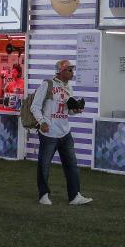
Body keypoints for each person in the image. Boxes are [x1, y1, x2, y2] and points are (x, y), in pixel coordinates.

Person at [32, 59, 92, 206]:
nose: (72, 73)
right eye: (69, 70)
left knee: (72, 165)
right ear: (60, 71)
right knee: (44, 165)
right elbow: (35, 106)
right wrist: (42, 122)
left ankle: (75, 196)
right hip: (48, 133)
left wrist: (75, 110)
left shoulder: (68, 88)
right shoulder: (47, 84)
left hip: (65, 132)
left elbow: (67, 111)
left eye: (72, 70)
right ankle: (43, 195)